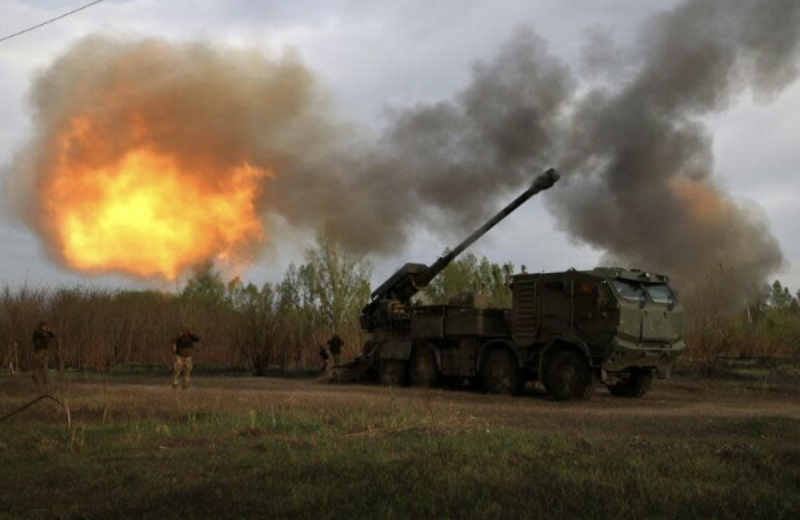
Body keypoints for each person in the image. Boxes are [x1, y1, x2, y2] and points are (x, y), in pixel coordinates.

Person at [31, 321, 55, 389]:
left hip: (44, 351)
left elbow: (52, 335)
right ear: (42, 326)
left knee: (44, 367)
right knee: (37, 367)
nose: (46, 328)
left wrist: (49, 331)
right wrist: (46, 332)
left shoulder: (46, 332)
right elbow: (42, 334)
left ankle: (46, 382)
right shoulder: (37, 332)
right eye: (45, 326)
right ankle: (37, 382)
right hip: (38, 352)